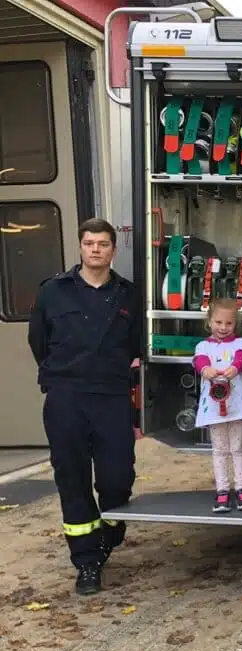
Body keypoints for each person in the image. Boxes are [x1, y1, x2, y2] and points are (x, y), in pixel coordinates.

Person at [27, 218, 140, 595]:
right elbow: (38, 342)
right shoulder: (53, 292)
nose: (96, 249)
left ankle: (112, 526)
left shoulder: (128, 294)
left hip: (111, 397)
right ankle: (87, 562)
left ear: (112, 250)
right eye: (89, 243)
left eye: (103, 244)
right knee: (72, 479)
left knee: (117, 477)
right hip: (66, 397)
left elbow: (136, 345)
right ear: (80, 247)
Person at [191, 298, 242, 513]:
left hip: (237, 407)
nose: (223, 328)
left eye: (228, 324)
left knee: (237, 449)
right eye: (218, 322)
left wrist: (235, 368)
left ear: (235, 324)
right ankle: (222, 490)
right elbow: (199, 361)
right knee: (219, 450)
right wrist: (205, 370)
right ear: (209, 321)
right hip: (214, 408)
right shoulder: (203, 346)